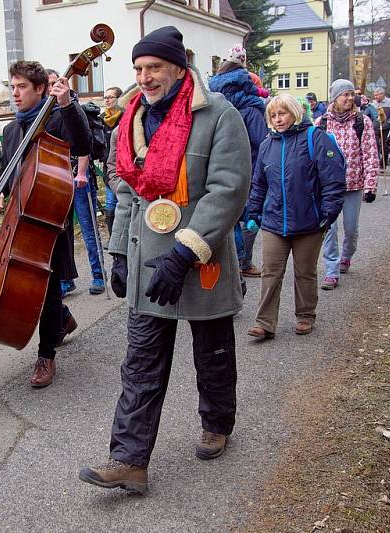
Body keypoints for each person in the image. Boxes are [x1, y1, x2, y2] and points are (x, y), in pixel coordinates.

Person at [79, 26, 251, 495]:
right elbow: (127, 193)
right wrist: (118, 252)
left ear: (178, 67)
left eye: (153, 67)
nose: (145, 77)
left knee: (212, 354)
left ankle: (217, 422)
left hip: (199, 260)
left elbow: (228, 189)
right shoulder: (131, 118)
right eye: (138, 68)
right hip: (146, 266)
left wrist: (184, 253)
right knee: (140, 364)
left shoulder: (219, 116)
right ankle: (129, 460)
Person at [0, 61, 90, 387]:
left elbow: (84, 144)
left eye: (22, 87)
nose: (15, 93)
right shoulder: (11, 130)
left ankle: (46, 354)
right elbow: (6, 169)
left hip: (49, 220)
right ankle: (64, 319)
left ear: (40, 89)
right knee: (27, 285)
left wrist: (67, 104)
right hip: (19, 219)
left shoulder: (57, 122)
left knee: (47, 290)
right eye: (13, 87)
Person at [246, 93, 346, 341]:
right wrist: (253, 212)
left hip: (309, 222)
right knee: (271, 272)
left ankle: (305, 315)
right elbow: (259, 184)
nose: (278, 120)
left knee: (304, 272)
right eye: (273, 115)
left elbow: (333, 181)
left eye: (282, 114)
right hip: (273, 222)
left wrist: (327, 215)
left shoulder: (315, 138)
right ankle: (265, 322)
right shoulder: (268, 145)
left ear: (295, 113)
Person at [208, 43, 268, 279]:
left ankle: (235, 265)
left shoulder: (217, 103)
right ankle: (242, 263)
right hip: (247, 169)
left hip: (218, 167)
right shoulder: (252, 109)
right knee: (246, 218)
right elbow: (260, 144)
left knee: (228, 219)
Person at [46, 70, 106, 297]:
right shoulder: (45, 113)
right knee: (62, 231)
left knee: (88, 228)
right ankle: (66, 278)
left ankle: (98, 274)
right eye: (49, 85)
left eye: (56, 83)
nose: (52, 89)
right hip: (57, 179)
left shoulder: (72, 109)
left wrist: (81, 174)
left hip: (78, 177)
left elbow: (83, 145)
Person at [316, 79, 379, 290]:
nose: (350, 98)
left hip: (354, 184)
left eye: (352, 94)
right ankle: (331, 270)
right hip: (329, 187)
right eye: (345, 94)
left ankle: (346, 256)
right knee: (329, 229)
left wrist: (370, 185)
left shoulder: (362, 122)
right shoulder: (321, 123)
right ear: (335, 97)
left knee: (351, 229)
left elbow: (370, 154)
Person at [101, 86, 124, 240]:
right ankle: (113, 239)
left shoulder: (126, 118)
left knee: (123, 203)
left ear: (119, 99)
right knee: (110, 204)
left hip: (124, 166)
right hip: (108, 167)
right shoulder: (101, 119)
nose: (107, 100)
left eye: (111, 97)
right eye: (106, 97)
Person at [371, 87, 390, 168]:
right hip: (375, 127)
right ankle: (375, 162)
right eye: (374, 95)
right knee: (375, 145)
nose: (376, 97)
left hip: (386, 128)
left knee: (385, 146)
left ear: (382, 94)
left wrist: (389, 121)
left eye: (377, 95)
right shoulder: (373, 104)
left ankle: (383, 163)